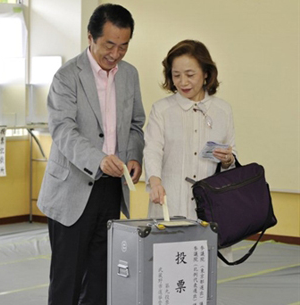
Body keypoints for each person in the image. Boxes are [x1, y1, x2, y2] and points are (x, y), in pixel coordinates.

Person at [36, 4, 145, 305]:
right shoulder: (67, 76)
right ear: (90, 38)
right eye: (109, 44)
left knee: (101, 278)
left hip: (111, 188)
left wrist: (134, 157)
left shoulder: (129, 75)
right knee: (67, 281)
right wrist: (98, 159)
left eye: (123, 46)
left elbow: (136, 124)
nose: (115, 53)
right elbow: (63, 131)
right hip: (71, 189)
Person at [144, 39, 237, 220]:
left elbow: (232, 153)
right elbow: (152, 149)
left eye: (190, 74)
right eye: (176, 75)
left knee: (207, 248)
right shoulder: (162, 110)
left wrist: (228, 160)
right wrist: (155, 182)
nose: (183, 82)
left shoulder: (223, 110)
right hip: (170, 200)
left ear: (206, 74)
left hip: (211, 203)